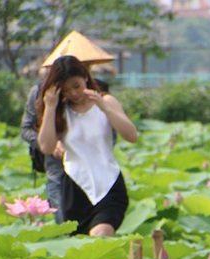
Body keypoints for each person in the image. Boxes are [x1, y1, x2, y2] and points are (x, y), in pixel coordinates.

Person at [36, 55, 137, 236]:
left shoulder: (106, 102)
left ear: (85, 77)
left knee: (101, 234)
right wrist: (50, 108)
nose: (73, 94)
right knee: (84, 251)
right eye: (66, 90)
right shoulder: (61, 112)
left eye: (76, 86)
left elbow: (131, 135)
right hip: (76, 187)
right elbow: (46, 147)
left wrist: (104, 107)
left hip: (109, 181)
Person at [21, 75, 66, 223]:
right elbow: (26, 130)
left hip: (89, 174)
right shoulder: (39, 93)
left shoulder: (92, 94)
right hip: (57, 174)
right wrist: (49, 145)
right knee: (65, 228)